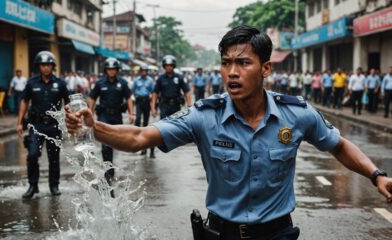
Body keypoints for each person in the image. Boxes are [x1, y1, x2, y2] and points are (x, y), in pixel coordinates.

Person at [65, 26, 392, 240]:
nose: (232, 72)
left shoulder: (297, 113)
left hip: (277, 234)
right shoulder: (204, 115)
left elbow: (338, 144)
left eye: (243, 63)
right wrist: (95, 127)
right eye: (225, 63)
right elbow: (139, 137)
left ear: (266, 68)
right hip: (220, 234)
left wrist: (376, 175)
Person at [17, 51, 70, 199]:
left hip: (54, 126)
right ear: (38, 67)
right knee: (32, 155)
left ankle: (54, 185)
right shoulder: (31, 83)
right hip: (36, 125)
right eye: (42, 65)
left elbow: (69, 103)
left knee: (54, 158)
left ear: (53, 66)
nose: (45, 68)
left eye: (48, 65)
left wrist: (71, 118)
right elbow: (24, 102)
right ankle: (33, 186)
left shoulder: (60, 84)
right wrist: (19, 122)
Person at [88, 57, 134, 183]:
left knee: (116, 142)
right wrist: (90, 113)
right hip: (104, 116)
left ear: (117, 70)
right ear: (106, 70)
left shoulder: (123, 83)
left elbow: (129, 98)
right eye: (109, 69)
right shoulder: (100, 83)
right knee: (105, 146)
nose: (111, 71)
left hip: (117, 116)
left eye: (114, 69)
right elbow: (92, 98)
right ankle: (109, 173)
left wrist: (131, 113)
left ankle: (110, 166)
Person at [150, 55, 192, 158]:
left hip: (176, 105)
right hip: (164, 105)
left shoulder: (179, 78)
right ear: (164, 67)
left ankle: (172, 143)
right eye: (167, 65)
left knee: (175, 126)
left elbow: (187, 92)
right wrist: (153, 108)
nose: (168, 67)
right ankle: (153, 149)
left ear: (173, 66)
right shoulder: (160, 79)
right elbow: (155, 93)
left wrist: (190, 105)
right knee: (161, 127)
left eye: (170, 65)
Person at [132, 65, 154, 156]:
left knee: (145, 122)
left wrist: (152, 101)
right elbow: (132, 90)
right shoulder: (136, 80)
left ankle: (144, 144)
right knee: (137, 119)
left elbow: (153, 91)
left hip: (146, 101)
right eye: (142, 71)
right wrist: (136, 96)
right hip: (139, 101)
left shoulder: (150, 80)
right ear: (140, 72)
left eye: (145, 71)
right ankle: (136, 134)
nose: (144, 72)